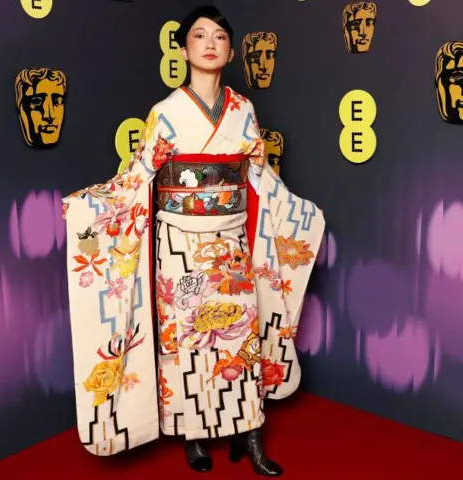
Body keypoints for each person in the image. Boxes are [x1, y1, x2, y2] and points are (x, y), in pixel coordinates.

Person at [63, 5, 325, 477]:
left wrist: (302, 215)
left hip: (229, 245)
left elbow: (262, 180)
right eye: (199, 36)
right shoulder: (164, 113)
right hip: (180, 244)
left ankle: (251, 435)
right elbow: (139, 176)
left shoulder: (243, 110)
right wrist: (90, 206)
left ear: (228, 50)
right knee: (186, 342)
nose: (210, 43)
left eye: (220, 37)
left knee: (239, 340)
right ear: (183, 49)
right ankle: (195, 436)